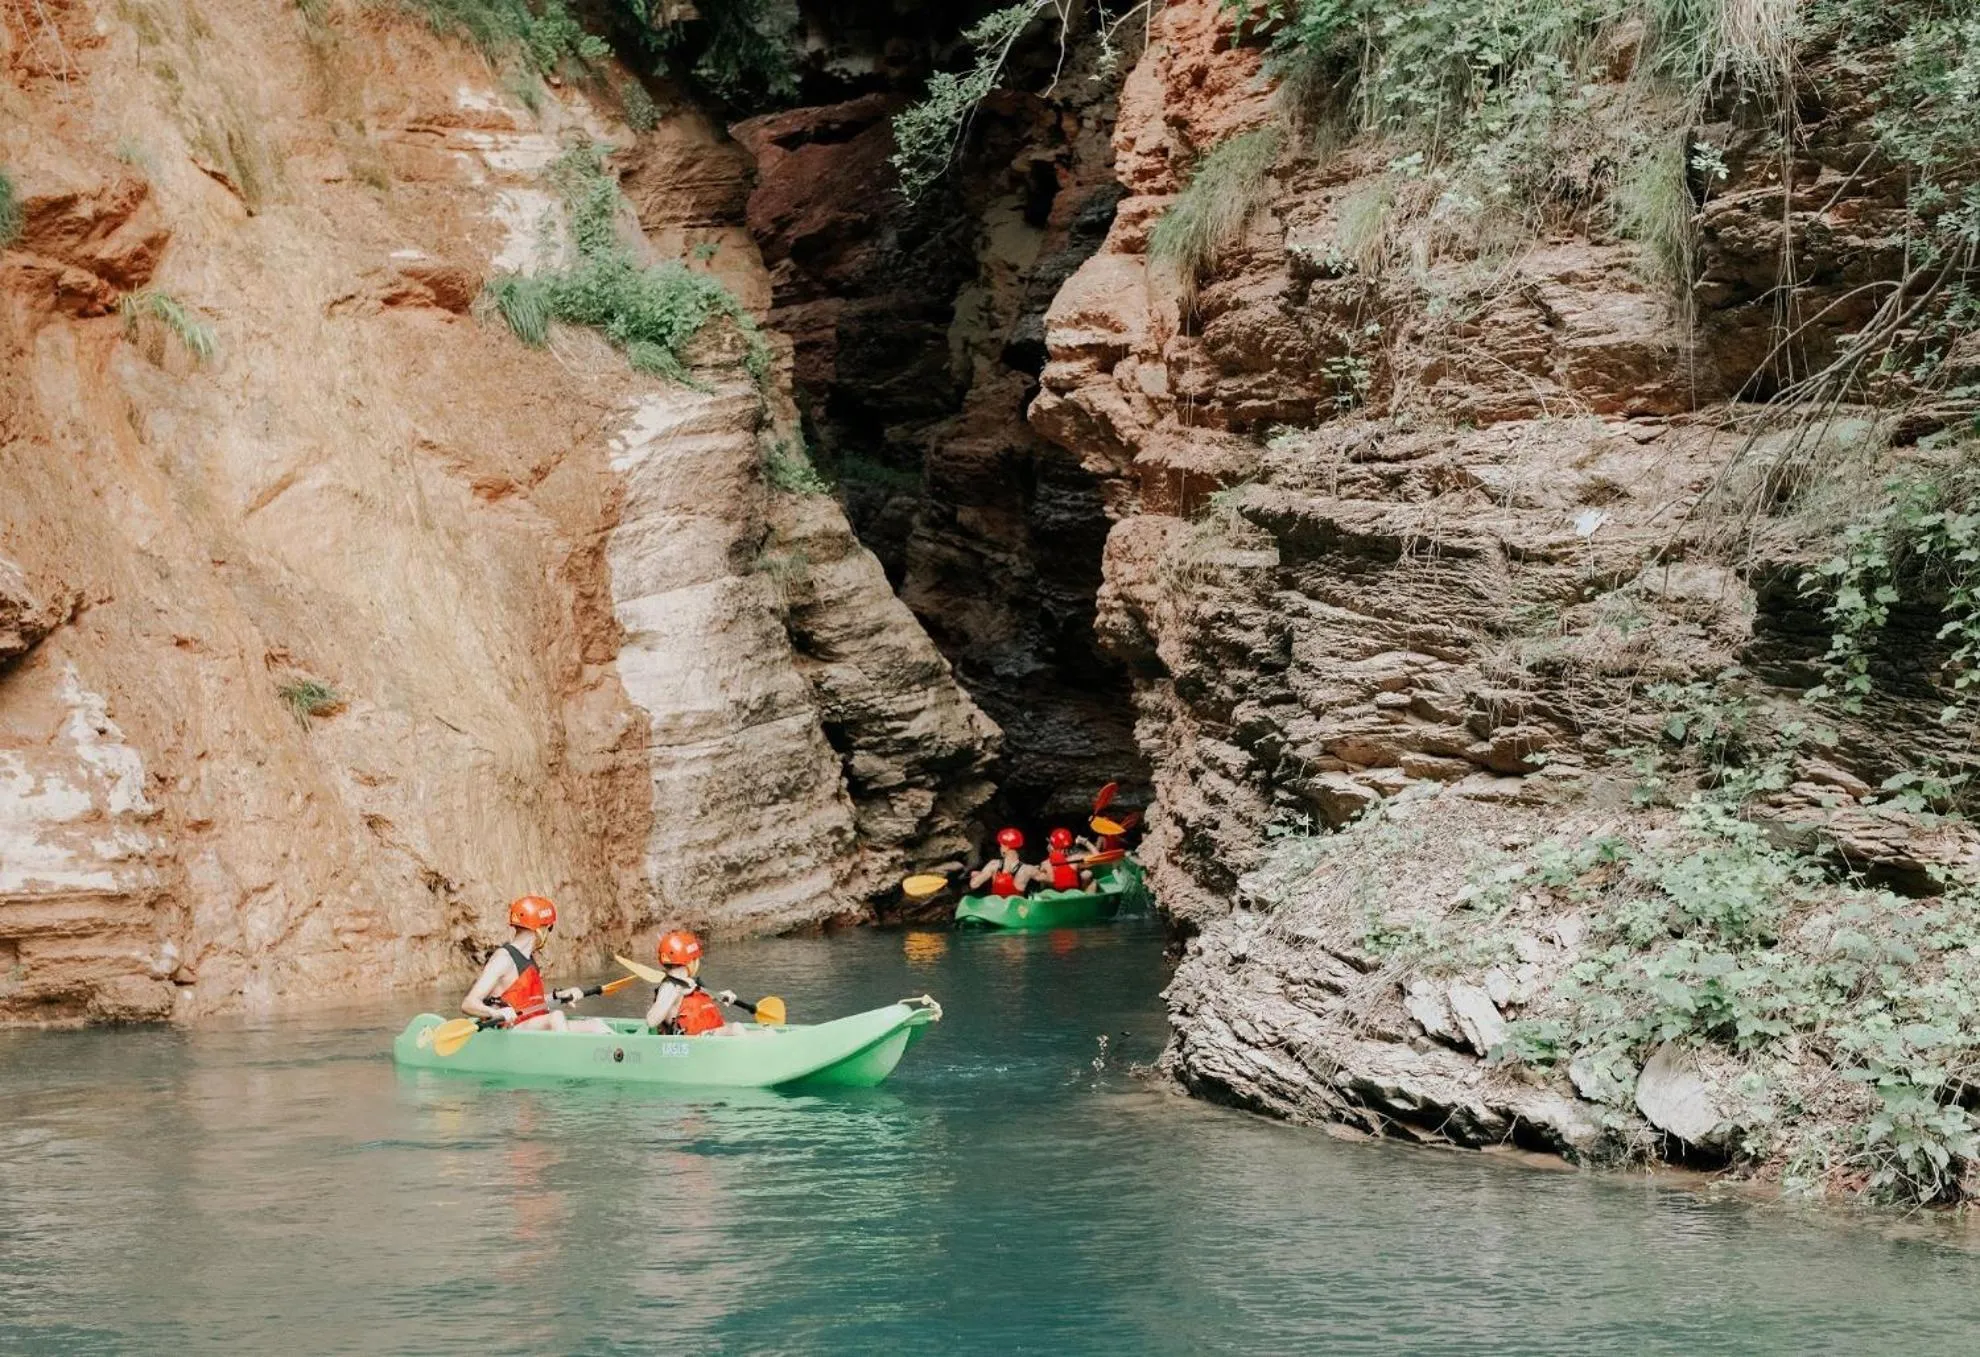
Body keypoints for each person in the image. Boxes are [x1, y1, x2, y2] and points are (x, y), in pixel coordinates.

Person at [461, 895, 613, 1034]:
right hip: (510, 1031)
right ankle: (567, 1061)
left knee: (595, 1025)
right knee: (556, 1017)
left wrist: (558, 996)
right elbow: (469, 1004)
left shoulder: (528, 958)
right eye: (549, 928)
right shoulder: (503, 959)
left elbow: (530, 1005)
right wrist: (495, 1013)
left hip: (531, 1026)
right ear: (541, 930)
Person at [644, 929, 741, 1036]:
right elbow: (651, 1021)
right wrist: (675, 992)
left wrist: (719, 996)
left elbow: (692, 1003)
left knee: (738, 1028)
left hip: (701, 1037)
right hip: (689, 1042)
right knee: (736, 1029)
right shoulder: (670, 987)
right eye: (695, 959)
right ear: (690, 962)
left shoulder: (687, 982)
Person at [967, 827, 1033, 897]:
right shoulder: (1027, 869)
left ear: (1005, 847)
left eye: (1001, 846)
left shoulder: (993, 864)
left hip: (998, 905)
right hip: (1016, 905)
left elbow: (974, 885)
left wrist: (975, 876)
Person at [1043, 827, 1094, 892]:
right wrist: (1086, 842)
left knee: (1086, 874)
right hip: (1074, 893)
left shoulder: (1045, 863)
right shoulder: (1074, 859)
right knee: (1088, 875)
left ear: (1052, 847)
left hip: (1055, 895)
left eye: (1050, 843)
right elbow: (1099, 858)